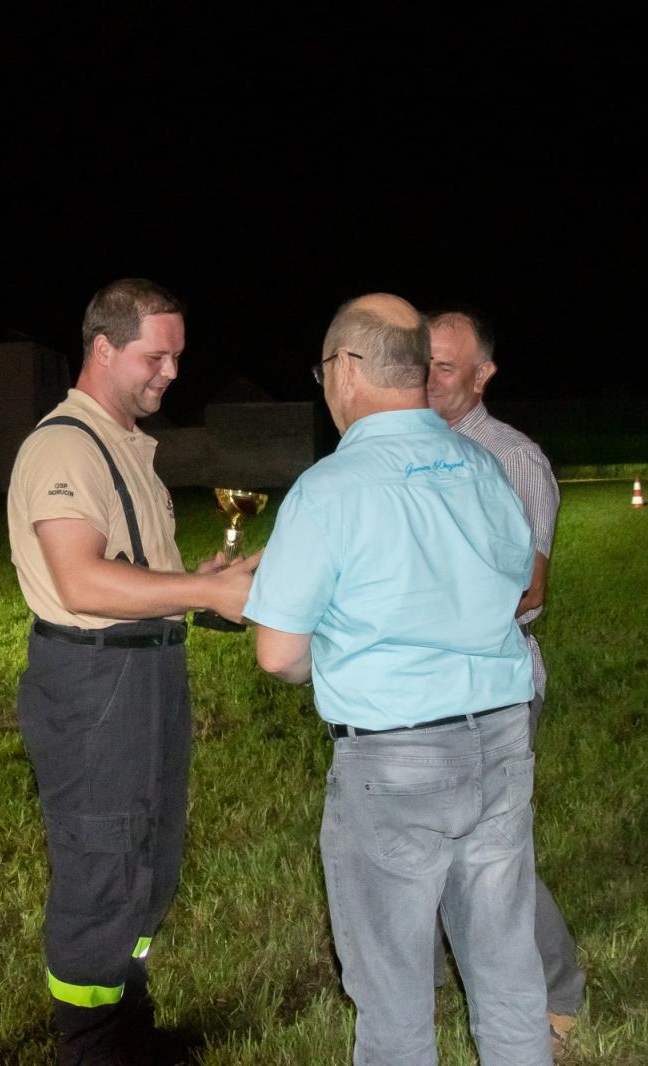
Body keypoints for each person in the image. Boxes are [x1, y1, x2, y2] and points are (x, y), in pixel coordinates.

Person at [246, 294, 549, 1065]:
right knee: (507, 968)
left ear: (345, 369)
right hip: (502, 741)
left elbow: (278, 653)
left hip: (396, 761)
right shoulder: (485, 468)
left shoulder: (329, 489)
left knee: (393, 997)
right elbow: (516, 587)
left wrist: (339, 646)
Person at [6, 278, 258, 1065]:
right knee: (101, 868)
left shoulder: (127, 448)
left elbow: (141, 578)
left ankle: (129, 1030)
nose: (171, 373)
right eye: (158, 356)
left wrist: (206, 584)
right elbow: (82, 581)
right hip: (93, 689)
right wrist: (204, 589)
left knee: (148, 861)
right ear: (105, 349)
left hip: (146, 680)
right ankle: (90, 1047)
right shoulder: (63, 446)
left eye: (178, 357)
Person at [429, 310, 584, 1053]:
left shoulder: (511, 459)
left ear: (484, 375)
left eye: (447, 369)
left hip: (494, 684)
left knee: (491, 856)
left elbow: (529, 592)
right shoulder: (413, 449)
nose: (428, 381)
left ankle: (556, 988)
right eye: (420, 364)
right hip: (425, 689)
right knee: (431, 842)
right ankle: (431, 974)